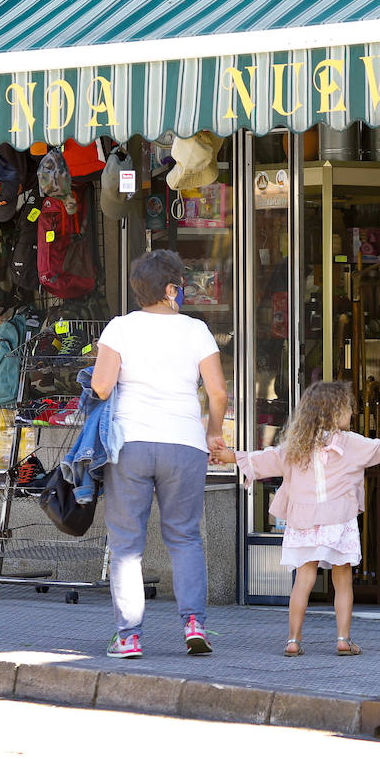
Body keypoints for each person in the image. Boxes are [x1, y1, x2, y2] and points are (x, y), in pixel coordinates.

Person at [211, 381, 380, 656]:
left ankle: (293, 640)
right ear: (334, 411)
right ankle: (343, 639)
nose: (351, 413)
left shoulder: (296, 445)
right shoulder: (349, 442)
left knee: (303, 578)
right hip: (338, 520)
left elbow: (267, 459)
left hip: (304, 520)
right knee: (342, 579)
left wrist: (231, 456)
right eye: (348, 408)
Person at [91, 249, 228, 659]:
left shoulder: (119, 329)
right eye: (181, 285)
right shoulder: (196, 331)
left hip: (130, 443)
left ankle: (129, 636)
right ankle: (193, 624)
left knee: (127, 544)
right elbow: (218, 392)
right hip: (184, 445)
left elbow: (100, 387)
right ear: (171, 289)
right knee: (185, 537)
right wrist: (214, 431)